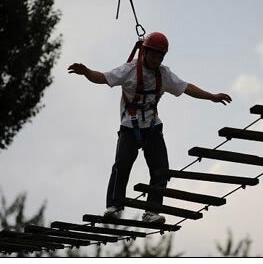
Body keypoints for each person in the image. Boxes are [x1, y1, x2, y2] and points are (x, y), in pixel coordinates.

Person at [68, 32, 232, 224]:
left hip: (152, 127)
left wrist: (211, 96)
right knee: (121, 165)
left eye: (160, 56)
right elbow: (103, 78)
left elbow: (187, 88)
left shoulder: (164, 74)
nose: (156, 59)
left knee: (161, 169)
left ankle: (151, 211)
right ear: (144, 52)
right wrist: (86, 72)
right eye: (153, 54)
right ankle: (114, 206)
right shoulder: (129, 70)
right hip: (130, 126)